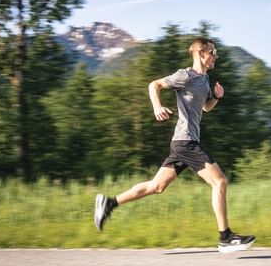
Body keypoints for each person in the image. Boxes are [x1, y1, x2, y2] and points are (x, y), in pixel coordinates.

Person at [94, 37, 255, 253]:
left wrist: (216, 97)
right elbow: (155, 85)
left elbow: (206, 108)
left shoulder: (205, 80)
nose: (215, 55)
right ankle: (225, 237)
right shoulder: (184, 75)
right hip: (186, 141)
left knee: (156, 186)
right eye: (212, 51)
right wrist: (156, 107)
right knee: (220, 182)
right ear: (200, 53)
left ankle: (109, 204)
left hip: (184, 142)